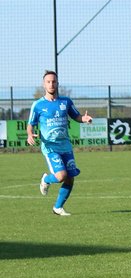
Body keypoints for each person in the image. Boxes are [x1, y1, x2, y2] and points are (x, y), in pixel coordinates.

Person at [27, 70, 93, 216]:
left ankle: (58, 207)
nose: (51, 84)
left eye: (54, 81)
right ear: (44, 84)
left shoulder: (66, 102)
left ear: (58, 83)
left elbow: (76, 116)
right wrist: (30, 134)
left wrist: (84, 119)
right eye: (48, 82)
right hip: (50, 147)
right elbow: (30, 123)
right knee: (61, 175)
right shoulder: (38, 105)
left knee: (70, 178)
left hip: (66, 145)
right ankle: (46, 179)